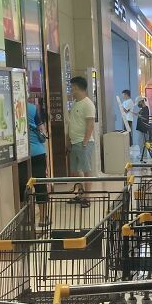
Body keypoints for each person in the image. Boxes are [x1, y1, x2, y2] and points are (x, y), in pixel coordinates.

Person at [67, 76, 96, 207]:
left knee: (86, 170)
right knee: (75, 170)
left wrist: (85, 142)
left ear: (77, 87)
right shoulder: (75, 103)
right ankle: (79, 193)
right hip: (74, 142)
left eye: (72, 87)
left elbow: (90, 125)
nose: (71, 90)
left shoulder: (88, 104)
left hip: (84, 142)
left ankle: (87, 198)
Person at [27, 101, 49, 227]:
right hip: (38, 152)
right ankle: (43, 218)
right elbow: (42, 131)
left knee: (23, 188)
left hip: (21, 154)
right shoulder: (32, 108)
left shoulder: (11, 107)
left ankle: (28, 219)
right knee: (40, 186)